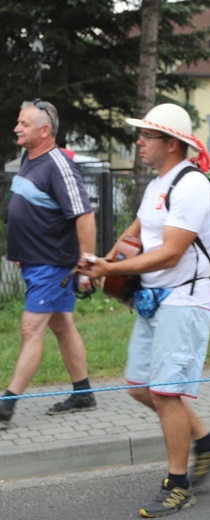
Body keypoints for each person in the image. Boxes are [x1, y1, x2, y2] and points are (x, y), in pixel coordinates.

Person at [79, 103, 210, 517]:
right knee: (138, 386)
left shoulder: (193, 185)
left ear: (171, 143)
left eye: (147, 136)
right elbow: (137, 230)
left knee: (166, 393)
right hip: (154, 303)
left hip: (183, 302)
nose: (139, 142)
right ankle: (209, 444)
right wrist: (99, 266)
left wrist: (112, 267)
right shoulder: (158, 184)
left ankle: (178, 484)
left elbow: (169, 254)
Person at [0, 100, 97, 431]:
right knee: (61, 325)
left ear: (45, 130)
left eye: (24, 123)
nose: (17, 128)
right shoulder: (31, 158)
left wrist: (87, 262)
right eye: (18, 122)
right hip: (34, 261)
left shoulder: (60, 165)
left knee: (31, 329)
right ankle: (83, 393)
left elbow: (84, 214)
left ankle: (6, 404)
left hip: (53, 264)